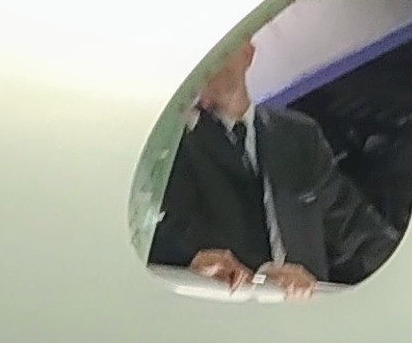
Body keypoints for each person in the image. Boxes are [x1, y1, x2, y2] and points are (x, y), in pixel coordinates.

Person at [146, 38, 398, 295]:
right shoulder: (171, 145)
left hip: (302, 310)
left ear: (248, 52)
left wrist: (410, 272)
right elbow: (152, 231)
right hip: (224, 308)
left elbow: (353, 227)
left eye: (222, 43)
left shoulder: (298, 135)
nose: (211, 57)